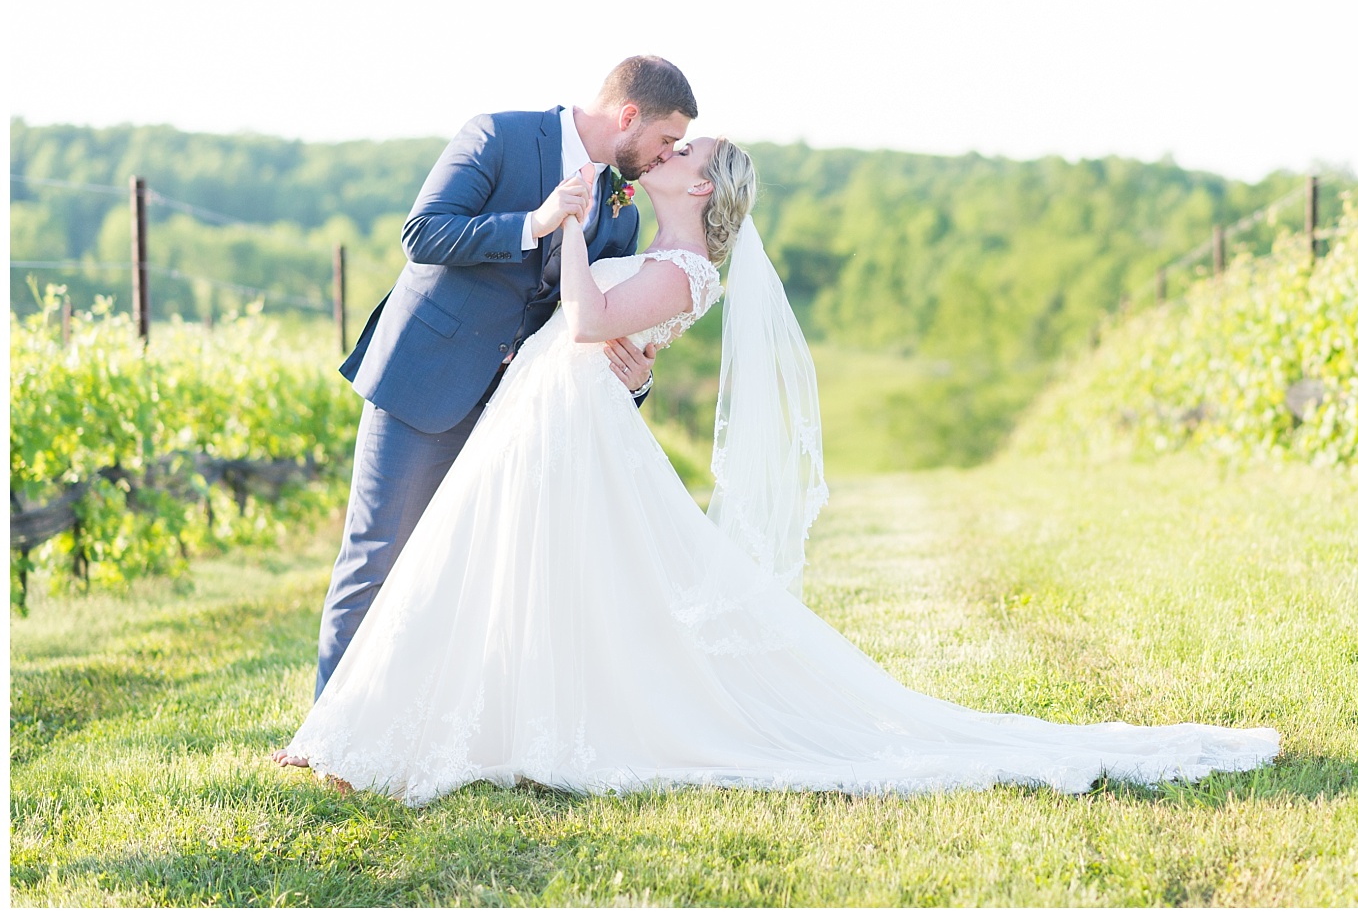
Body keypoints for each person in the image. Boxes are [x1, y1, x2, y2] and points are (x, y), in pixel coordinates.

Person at [279, 135, 1280, 804]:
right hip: (548, 417)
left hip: (569, 425)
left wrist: (569, 224)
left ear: (701, 187)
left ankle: (484, 724)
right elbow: (585, 329)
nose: (666, 154)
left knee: (553, 570)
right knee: (507, 568)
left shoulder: (685, 265)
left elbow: (586, 317)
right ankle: (434, 716)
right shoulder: (652, 242)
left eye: (685, 153)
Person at [293, 56, 699, 736]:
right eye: (664, 140)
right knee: (376, 558)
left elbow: (587, 325)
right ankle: (327, 733)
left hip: (516, 412)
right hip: (427, 380)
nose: (664, 158)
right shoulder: (498, 136)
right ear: (628, 116)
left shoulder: (622, 213)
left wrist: (638, 380)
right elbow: (422, 233)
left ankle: (424, 728)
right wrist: (533, 222)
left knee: (470, 572)